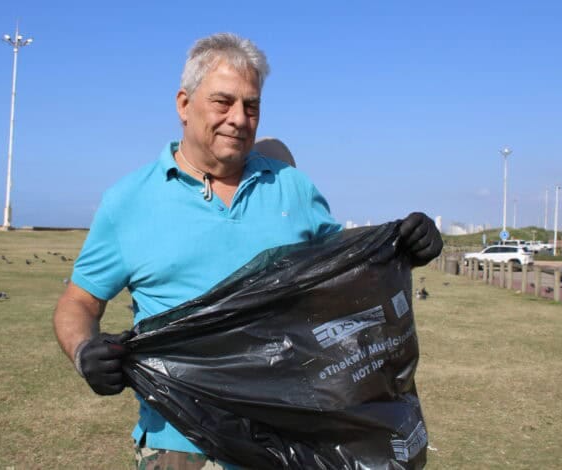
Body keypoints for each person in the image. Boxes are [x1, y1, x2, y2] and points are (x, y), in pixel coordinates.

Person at [53, 32, 442, 469]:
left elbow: (346, 280)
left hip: (294, 440)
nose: (238, 118)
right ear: (184, 104)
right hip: (182, 447)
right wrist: (85, 352)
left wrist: (404, 248)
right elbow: (78, 302)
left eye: (251, 105)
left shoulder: (293, 187)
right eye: (223, 102)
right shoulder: (128, 202)